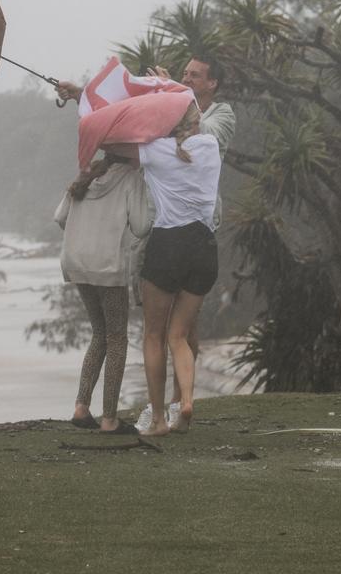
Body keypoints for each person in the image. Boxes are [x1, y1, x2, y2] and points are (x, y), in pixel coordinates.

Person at [136, 58, 234, 431]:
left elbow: (118, 140)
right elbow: (193, 121)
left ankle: (159, 416)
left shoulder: (155, 151)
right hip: (204, 247)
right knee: (180, 335)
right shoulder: (209, 146)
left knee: (154, 334)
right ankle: (187, 403)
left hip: (167, 244)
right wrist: (174, 94)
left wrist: (163, 92)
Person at [55, 152, 152, 434]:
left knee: (99, 333)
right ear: (133, 154)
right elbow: (142, 225)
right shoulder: (132, 179)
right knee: (117, 337)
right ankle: (109, 418)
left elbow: (60, 217)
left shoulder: (88, 174)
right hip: (108, 267)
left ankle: (81, 407)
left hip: (78, 264)